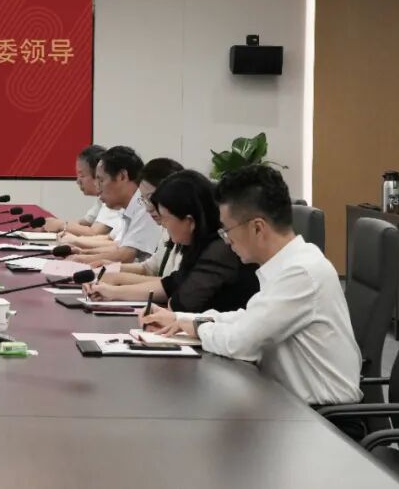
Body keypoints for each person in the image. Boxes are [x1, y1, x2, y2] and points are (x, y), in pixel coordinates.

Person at [140, 165, 361, 406]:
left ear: (257, 227)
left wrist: (195, 327)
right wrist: (180, 320)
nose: (226, 240)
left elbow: (241, 343)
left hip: (321, 418)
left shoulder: (301, 273)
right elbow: (248, 318)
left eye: (227, 230)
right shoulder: (287, 264)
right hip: (287, 404)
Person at [84, 170, 259, 314]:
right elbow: (170, 284)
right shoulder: (199, 244)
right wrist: (112, 292)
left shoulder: (220, 250)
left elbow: (181, 304)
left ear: (190, 221)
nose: (163, 225)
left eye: (166, 218)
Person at [74, 157, 185, 278]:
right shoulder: (164, 226)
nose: (148, 208)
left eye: (101, 180)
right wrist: (110, 267)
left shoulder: (156, 217)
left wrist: (114, 279)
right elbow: (149, 268)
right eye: (144, 200)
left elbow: (167, 284)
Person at [65, 147, 163, 264]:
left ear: (122, 176)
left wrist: (83, 259)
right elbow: (118, 247)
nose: (97, 187)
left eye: (101, 180)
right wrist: (84, 253)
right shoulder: (129, 207)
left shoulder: (143, 205)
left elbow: (126, 255)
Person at [41, 145, 123, 237]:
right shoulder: (102, 198)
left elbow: (94, 233)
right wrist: (51, 225)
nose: (78, 181)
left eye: (82, 175)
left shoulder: (114, 198)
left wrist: (61, 225)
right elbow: (84, 223)